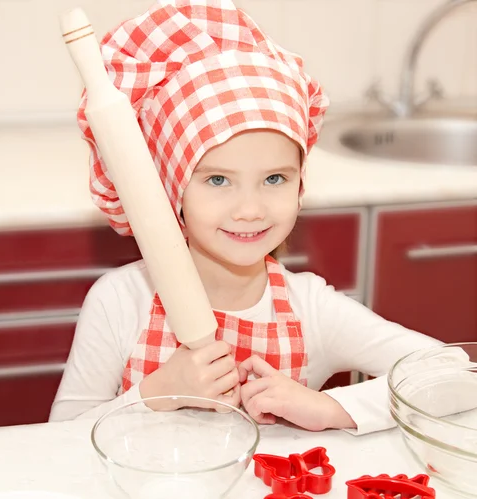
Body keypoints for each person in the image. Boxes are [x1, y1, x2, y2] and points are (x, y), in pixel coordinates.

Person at [50, 0, 440, 435]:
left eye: (274, 178)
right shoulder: (121, 302)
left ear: (300, 186)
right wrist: (155, 394)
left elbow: (452, 375)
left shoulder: (309, 309)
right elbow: (56, 438)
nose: (250, 209)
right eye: (218, 180)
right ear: (169, 189)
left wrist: (329, 407)